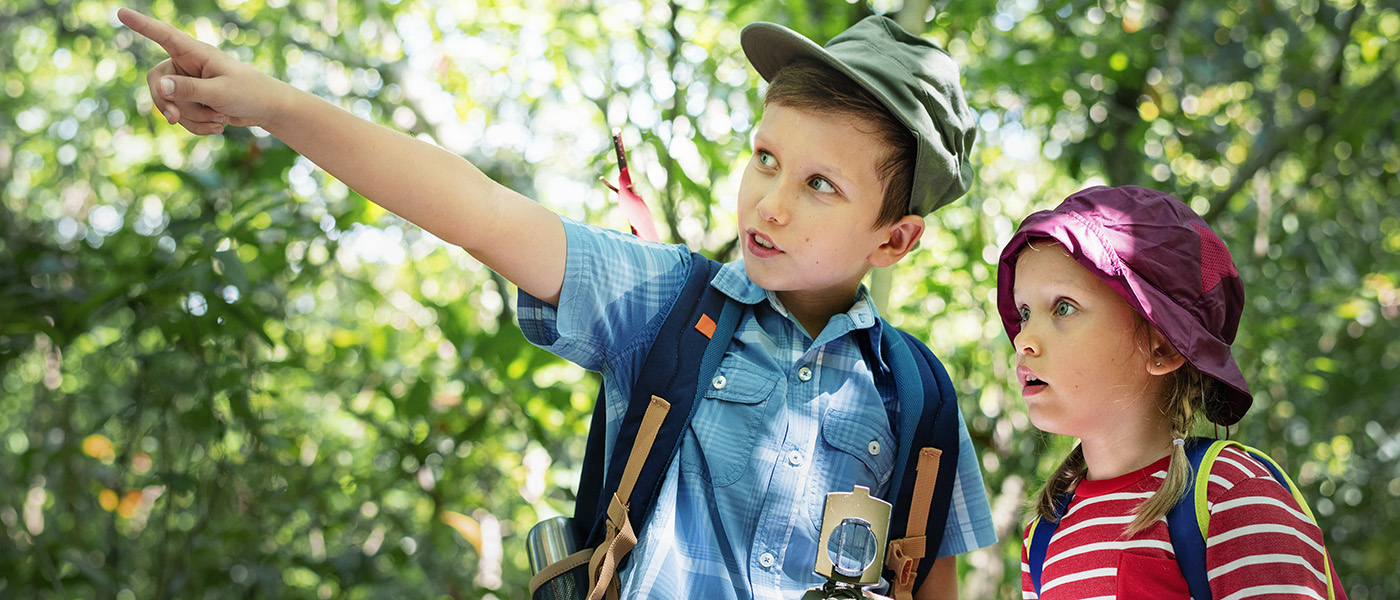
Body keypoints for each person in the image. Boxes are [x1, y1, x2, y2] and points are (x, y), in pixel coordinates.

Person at [119, 7, 996, 597]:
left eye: (819, 185)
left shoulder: (916, 397)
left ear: (894, 240)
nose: (770, 202)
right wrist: (272, 103)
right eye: (765, 158)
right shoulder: (669, 303)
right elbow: (479, 209)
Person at [997, 185, 1346, 598]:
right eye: (1024, 312)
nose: (1023, 340)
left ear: (1161, 347)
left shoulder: (1232, 495)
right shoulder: (1044, 534)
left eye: (1063, 307)